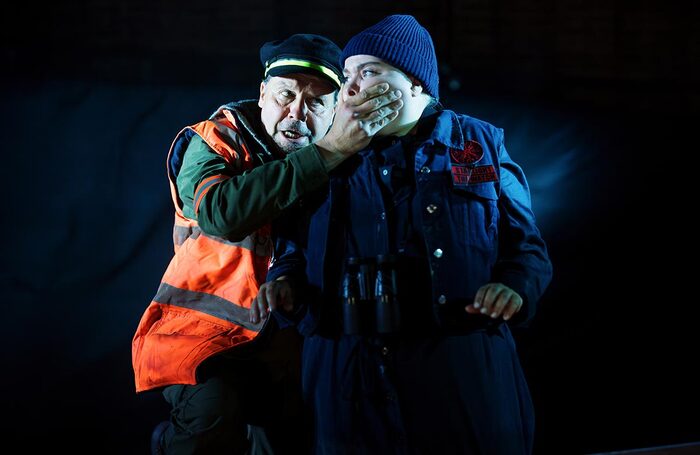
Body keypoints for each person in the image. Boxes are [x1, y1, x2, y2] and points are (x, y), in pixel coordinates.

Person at [252, 15, 553, 454]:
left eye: (369, 72)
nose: (350, 87)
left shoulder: (479, 145)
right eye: (348, 74)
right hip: (349, 379)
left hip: (459, 376)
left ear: (416, 84)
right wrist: (286, 286)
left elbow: (527, 248)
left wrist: (514, 287)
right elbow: (293, 248)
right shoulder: (327, 153)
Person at [132, 32, 404, 455]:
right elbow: (223, 214)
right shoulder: (213, 141)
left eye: (315, 103)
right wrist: (328, 152)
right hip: (204, 341)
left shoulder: (343, 163)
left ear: (334, 110)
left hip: (288, 347)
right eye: (285, 96)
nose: (297, 113)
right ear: (262, 94)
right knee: (213, 416)